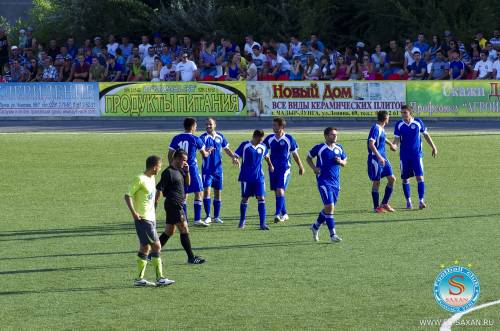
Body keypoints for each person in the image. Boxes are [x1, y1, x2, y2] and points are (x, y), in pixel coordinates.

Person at [124, 155, 174, 287]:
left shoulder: (152, 178)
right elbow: (127, 195)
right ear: (154, 167)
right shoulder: (139, 179)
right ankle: (160, 278)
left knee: (145, 247)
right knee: (156, 246)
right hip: (143, 219)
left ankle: (139, 279)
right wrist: (134, 213)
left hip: (151, 218)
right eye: (159, 166)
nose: (160, 169)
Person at [155, 149, 206, 265]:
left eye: (186, 160)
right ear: (176, 158)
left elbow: (187, 184)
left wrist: (187, 171)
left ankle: (151, 254)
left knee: (169, 231)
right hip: (174, 204)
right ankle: (191, 257)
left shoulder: (180, 170)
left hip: (176, 204)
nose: (185, 162)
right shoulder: (168, 172)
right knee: (184, 228)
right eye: (183, 160)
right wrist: (154, 205)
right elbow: (159, 189)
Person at [168, 118, 212, 227]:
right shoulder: (195, 139)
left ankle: (185, 220)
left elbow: (170, 154)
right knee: (199, 192)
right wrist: (209, 151)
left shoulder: (176, 138)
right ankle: (197, 219)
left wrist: (173, 166)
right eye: (196, 126)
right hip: (192, 169)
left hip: (179, 169)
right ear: (192, 127)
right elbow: (204, 154)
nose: (196, 128)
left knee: (184, 194)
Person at [392, 105, 437, 209]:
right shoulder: (399, 124)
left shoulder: (418, 122)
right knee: (405, 179)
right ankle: (408, 201)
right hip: (404, 156)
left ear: (410, 113)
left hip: (417, 155)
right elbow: (396, 140)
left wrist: (433, 147)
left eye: (405, 112)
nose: (403, 114)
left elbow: (426, 135)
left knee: (420, 177)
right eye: (402, 113)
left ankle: (421, 201)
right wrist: (394, 146)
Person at [307, 127, 346, 242]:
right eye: (332, 135)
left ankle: (315, 227)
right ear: (326, 136)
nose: (335, 136)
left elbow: (345, 161)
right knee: (330, 206)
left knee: (328, 208)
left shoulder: (339, 148)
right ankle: (332, 235)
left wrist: (341, 162)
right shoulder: (320, 148)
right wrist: (314, 168)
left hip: (336, 182)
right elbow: (308, 157)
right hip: (323, 181)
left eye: (336, 134)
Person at [263, 118, 305, 223]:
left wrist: (301, 166)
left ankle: (277, 214)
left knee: (280, 190)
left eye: (276, 125)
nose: (273, 127)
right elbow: (263, 151)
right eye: (273, 125)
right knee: (277, 192)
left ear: (282, 127)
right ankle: (285, 214)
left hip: (284, 168)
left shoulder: (289, 139)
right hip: (272, 168)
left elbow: (295, 154)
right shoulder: (269, 139)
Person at [199, 118, 239, 224]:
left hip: (218, 171)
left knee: (218, 193)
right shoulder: (202, 138)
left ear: (215, 125)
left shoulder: (220, 136)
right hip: (207, 170)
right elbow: (200, 151)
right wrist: (205, 151)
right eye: (206, 124)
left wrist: (233, 157)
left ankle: (216, 216)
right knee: (207, 192)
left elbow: (226, 149)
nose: (208, 126)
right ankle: (208, 216)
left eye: (210, 124)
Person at [234, 129, 274, 230]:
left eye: (261, 140)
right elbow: (236, 155)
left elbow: (266, 157)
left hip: (259, 177)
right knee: (245, 198)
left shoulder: (263, 146)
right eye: (259, 139)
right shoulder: (245, 145)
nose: (260, 141)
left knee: (261, 198)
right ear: (254, 137)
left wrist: (270, 165)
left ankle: (262, 224)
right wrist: (235, 159)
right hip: (246, 177)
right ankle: (242, 221)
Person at [367, 111, 397, 213]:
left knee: (392, 179)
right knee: (377, 182)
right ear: (385, 118)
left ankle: (384, 203)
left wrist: (390, 144)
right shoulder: (376, 128)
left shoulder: (381, 128)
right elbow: (371, 143)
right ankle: (376, 207)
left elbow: (383, 138)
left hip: (383, 157)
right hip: (376, 159)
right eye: (388, 117)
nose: (389, 119)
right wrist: (379, 157)